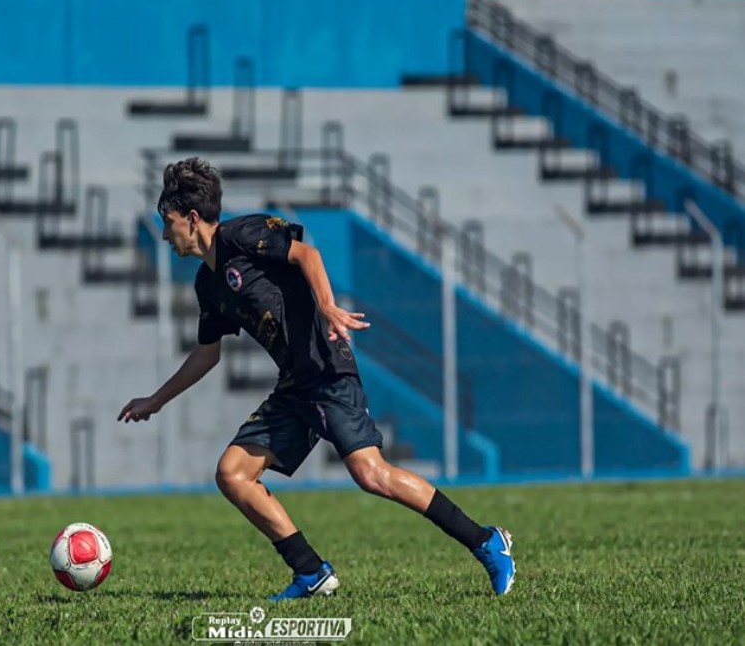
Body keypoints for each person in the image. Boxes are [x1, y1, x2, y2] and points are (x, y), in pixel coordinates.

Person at [118, 158, 516, 600]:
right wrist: (156, 399)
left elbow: (307, 254)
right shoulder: (207, 285)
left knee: (371, 474)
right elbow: (207, 355)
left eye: (168, 222)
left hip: (326, 369)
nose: (163, 233)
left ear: (192, 220)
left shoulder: (242, 235)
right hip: (294, 385)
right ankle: (310, 572)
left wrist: (327, 306)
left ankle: (485, 542)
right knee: (232, 473)